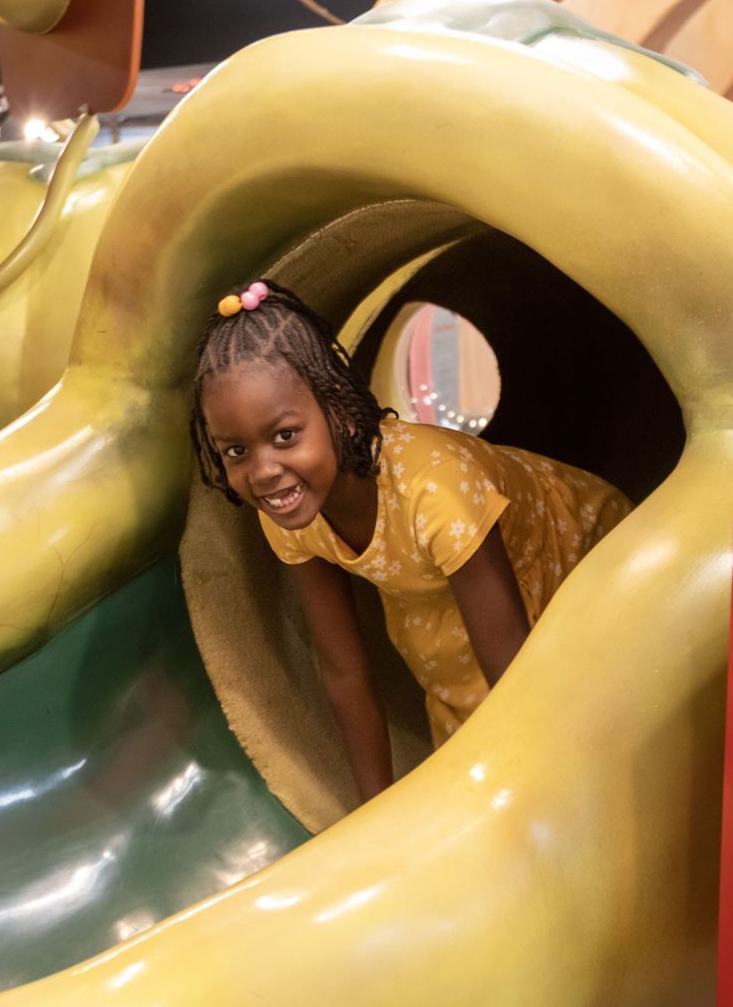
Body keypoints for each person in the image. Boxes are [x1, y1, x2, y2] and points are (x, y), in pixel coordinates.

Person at [189, 280, 630, 801]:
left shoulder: (435, 489)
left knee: (574, 725)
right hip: (438, 603)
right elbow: (343, 670)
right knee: (456, 709)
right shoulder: (288, 508)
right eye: (235, 451)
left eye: (285, 435)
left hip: (573, 553)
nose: (262, 471)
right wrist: (375, 811)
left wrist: (534, 793)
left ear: (340, 414)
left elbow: (510, 667)